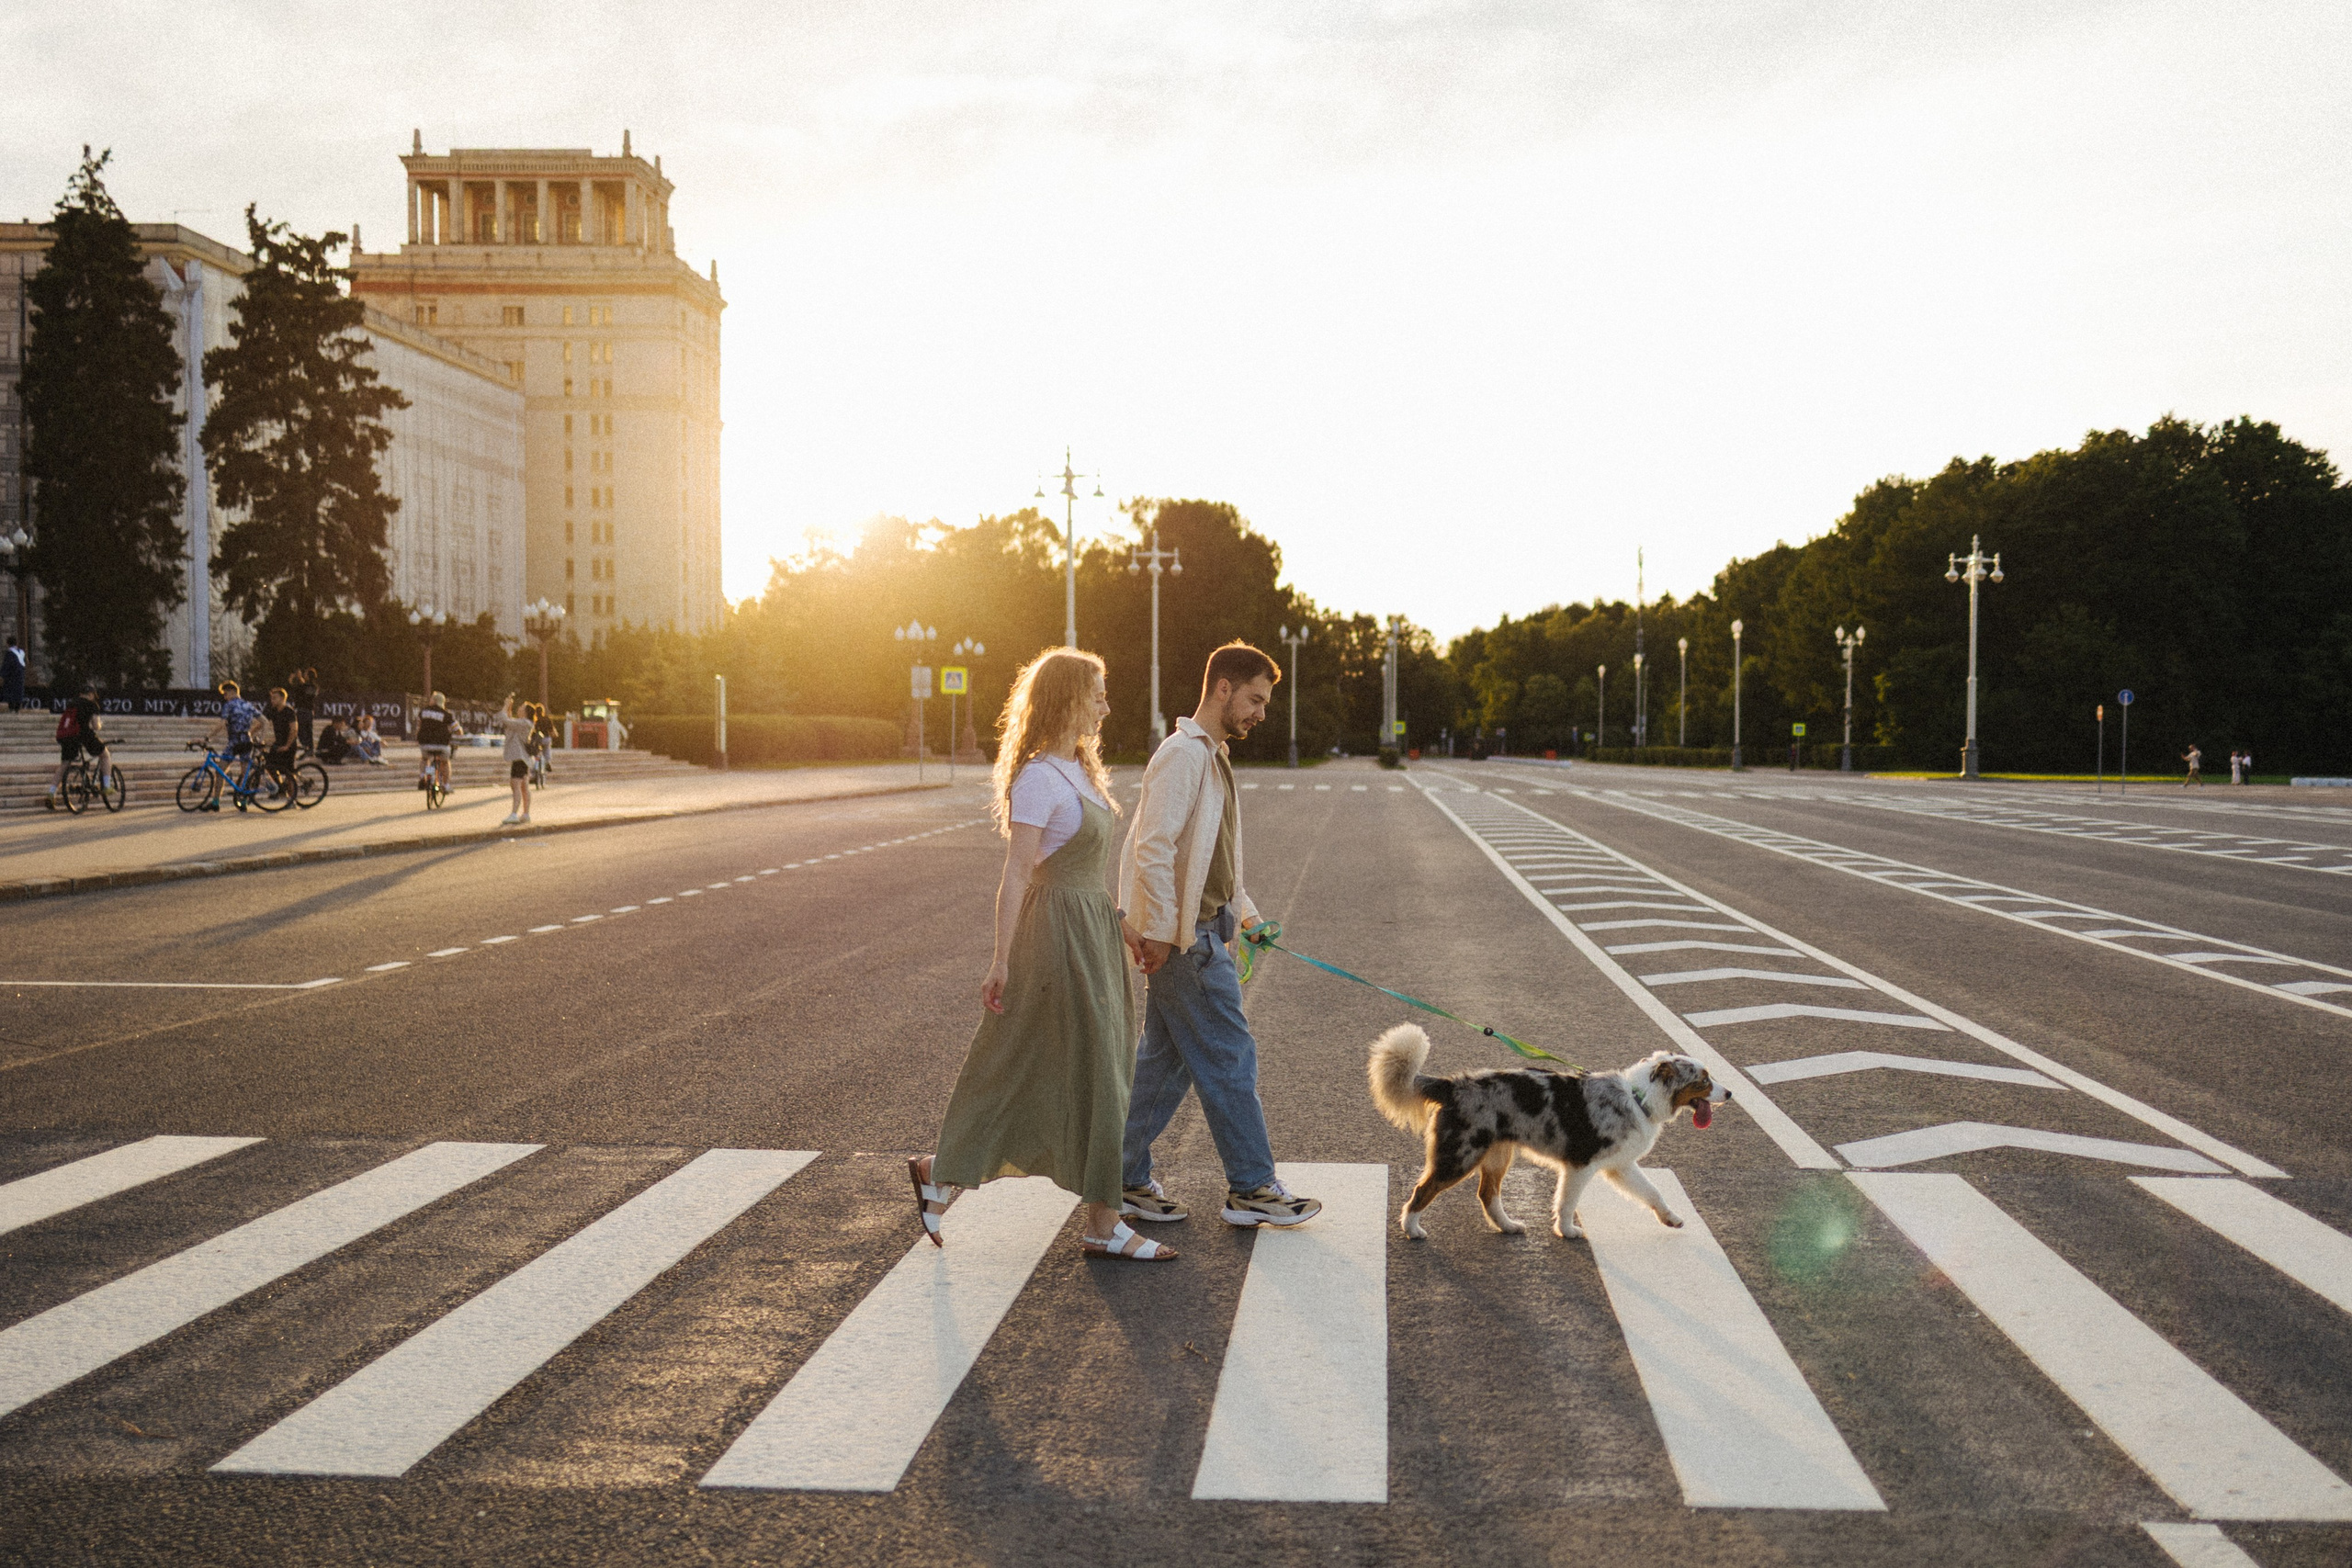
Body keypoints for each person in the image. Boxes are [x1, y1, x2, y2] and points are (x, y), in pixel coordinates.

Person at [908, 649, 1169, 1261]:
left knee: (1091, 1069)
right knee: (1073, 1067)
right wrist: (1001, 959)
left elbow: (1085, 873)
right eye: (1098, 693)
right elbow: (1018, 874)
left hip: (1094, 933)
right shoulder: (1037, 777)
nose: (1106, 704)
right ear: (1069, 697)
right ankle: (1102, 1222)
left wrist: (1125, 927)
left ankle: (940, 1174)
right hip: (1053, 938)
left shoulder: (1081, 768)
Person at [1116, 642, 1323, 1231]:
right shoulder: (1184, 755)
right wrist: (1156, 931)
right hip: (1188, 941)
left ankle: (1123, 1176)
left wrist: (1249, 917)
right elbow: (1151, 848)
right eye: (1255, 699)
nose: (1261, 713)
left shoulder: (1213, 756)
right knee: (1230, 1059)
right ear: (1224, 688)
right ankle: (1253, 1188)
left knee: (1165, 1064)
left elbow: (1212, 858)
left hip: (1207, 930)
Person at [47, 682, 108, 808]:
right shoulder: (92, 705)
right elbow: (96, 726)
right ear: (91, 694)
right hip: (84, 735)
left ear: (80, 694)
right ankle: (107, 786)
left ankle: (51, 793)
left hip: (67, 736)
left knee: (64, 765)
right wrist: (100, 725)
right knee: (105, 755)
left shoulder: (71, 704)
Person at [205, 680, 263, 805]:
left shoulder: (229, 705)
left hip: (234, 742)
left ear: (231, 692)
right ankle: (244, 800)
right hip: (247, 741)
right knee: (245, 773)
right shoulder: (248, 705)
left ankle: (215, 802)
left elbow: (221, 725)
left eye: (225, 694)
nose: (225, 698)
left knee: (220, 771)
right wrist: (258, 736)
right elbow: (265, 722)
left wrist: (207, 737)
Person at [500, 694, 535, 825]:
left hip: (520, 758)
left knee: (515, 785)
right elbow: (511, 721)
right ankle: (525, 814)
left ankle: (514, 813)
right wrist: (509, 707)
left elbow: (506, 721)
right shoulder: (524, 723)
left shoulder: (525, 723)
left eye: (521, 707)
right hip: (522, 758)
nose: (519, 708)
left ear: (526, 712)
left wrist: (505, 706)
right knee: (524, 786)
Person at [416, 691, 459, 795]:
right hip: (442, 745)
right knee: (445, 762)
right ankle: (446, 785)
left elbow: (419, 725)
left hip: (425, 743)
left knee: (424, 759)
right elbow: (457, 730)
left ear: (434, 701)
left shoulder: (423, 712)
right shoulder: (446, 714)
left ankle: (422, 776)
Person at [259, 687, 299, 794]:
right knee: (269, 765)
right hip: (278, 743)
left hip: (289, 745)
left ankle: (292, 799)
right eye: (271, 698)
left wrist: (287, 745)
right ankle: (280, 788)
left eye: (275, 698)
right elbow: (261, 723)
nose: (272, 700)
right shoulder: (273, 711)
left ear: (282, 699)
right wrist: (249, 733)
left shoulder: (289, 711)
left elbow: (294, 729)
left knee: (289, 773)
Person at [289, 667, 319, 755]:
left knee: (304, 731)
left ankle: (308, 748)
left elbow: (304, 693)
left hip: (305, 711)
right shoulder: (309, 686)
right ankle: (309, 748)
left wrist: (297, 679)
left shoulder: (312, 687)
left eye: (305, 674)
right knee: (305, 731)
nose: (304, 675)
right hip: (305, 711)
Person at [2, 635, 24, 711]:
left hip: (11, 677)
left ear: (8, 644)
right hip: (20, 676)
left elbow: (7, 665)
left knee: (10, 691)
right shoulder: (21, 652)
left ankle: (11, 707)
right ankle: (17, 707)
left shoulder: (9, 653)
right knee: (18, 692)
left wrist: (2, 674)